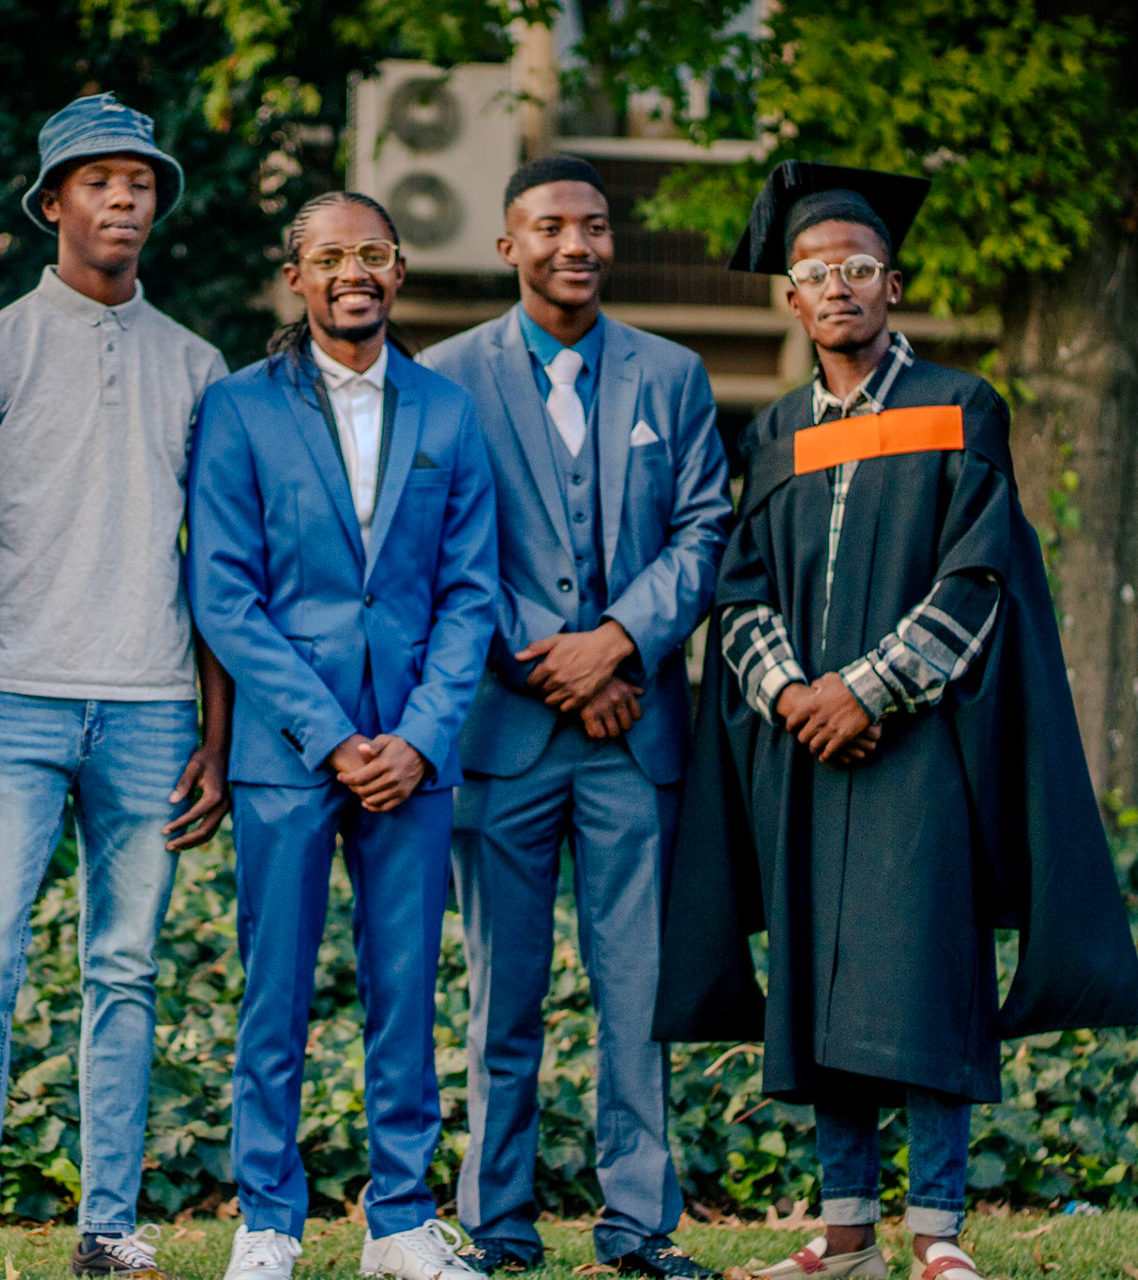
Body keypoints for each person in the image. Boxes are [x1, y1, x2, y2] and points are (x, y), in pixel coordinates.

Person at [655, 161, 1138, 1280]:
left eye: (858, 269)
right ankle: (845, 1237)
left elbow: (979, 579)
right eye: (814, 272)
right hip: (806, 751)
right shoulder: (773, 433)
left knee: (926, 977)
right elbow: (740, 591)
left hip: (923, 747)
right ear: (791, 297)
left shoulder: (958, 407)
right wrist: (794, 694)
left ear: (893, 284)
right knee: (822, 988)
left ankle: (936, 1231)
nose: (836, 288)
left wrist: (864, 690)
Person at [0, 94, 234, 1280]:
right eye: (98, 181)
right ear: (53, 202)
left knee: (125, 970)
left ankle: (108, 1225)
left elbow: (218, 564)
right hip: (9, 704)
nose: (123, 199)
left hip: (151, 709)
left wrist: (216, 733)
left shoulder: (198, 365)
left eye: (140, 183)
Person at [420, 156, 732, 1280]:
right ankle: (498, 1222)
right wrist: (561, 662)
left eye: (594, 226)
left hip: (635, 741)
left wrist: (619, 641)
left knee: (638, 993)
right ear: (509, 245)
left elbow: (705, 530)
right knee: (501, 996)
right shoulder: (446, 377)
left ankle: (640, 1223)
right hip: (504, 737)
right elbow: (446, 546)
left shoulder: (673, 374)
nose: (576, 245)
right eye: (551, 227)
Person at [186, 192, 498, 1280]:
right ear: (297, 279)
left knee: (405, 990)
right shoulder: (238, 408)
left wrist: (418, 736)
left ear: (399, 271)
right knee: (274, 990)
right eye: (330, 257)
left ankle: (399, 1219)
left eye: (372, 253)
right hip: (287, 750)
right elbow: (223, 594)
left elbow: (470, 592)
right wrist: (330, 736)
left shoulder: (449, 412)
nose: (352, 271)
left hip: (414, 751)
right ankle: (268, 1219)